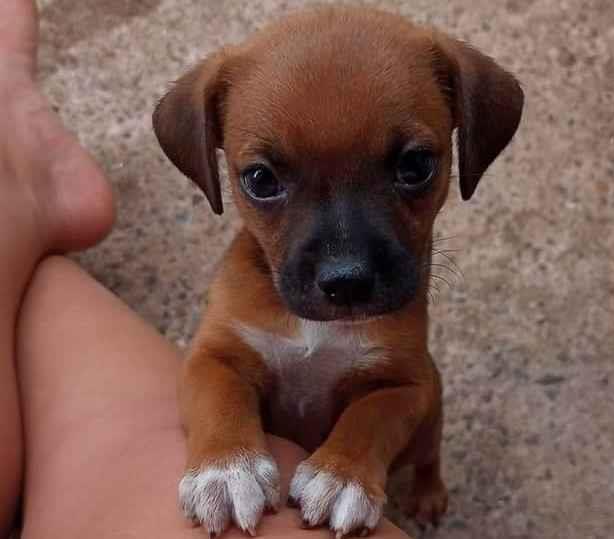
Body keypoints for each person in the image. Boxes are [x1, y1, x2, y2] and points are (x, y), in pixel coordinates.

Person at [0, 1, 410, 537]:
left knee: (37, 281)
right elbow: (214, 367)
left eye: (412, 169)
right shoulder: (243, 293)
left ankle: (15, 159)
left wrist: (367, 453)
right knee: (43, 284)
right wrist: (223, 444)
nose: (345, 265)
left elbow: (407, 389)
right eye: (265, 182)